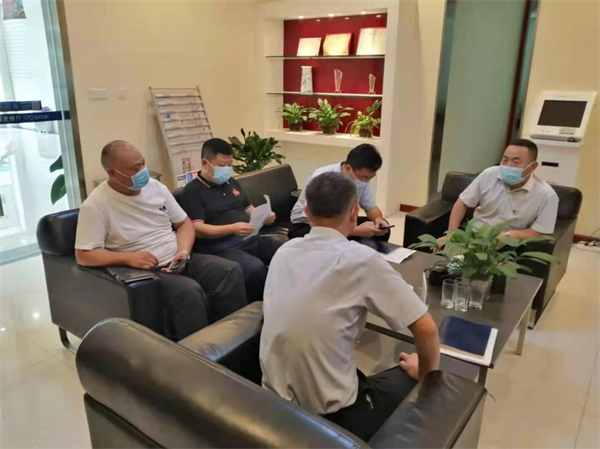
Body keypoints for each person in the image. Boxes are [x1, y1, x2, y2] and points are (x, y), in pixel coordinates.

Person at [260, 171, 440, 441]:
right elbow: (427, 330)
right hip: (331, 415)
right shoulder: (362, 260)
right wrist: (425, 373)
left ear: (307, 213)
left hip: (272, 400)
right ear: (355, 212)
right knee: (412, 374)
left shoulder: (284, 250)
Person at [75, 140, 247, 340]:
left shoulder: (155, 187)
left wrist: (184, 251)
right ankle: (198, 352)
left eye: (143, 163)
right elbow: (84, 255)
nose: (143, 171)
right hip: (149, 272)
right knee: (189, 292)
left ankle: (234, 340)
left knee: (230, 270)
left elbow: (184, 224)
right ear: (112, 173)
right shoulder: (96, 205)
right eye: (135, 168)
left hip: (179, 257)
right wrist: (127, 258)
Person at [180, 138, 284, 302]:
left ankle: (288, 298)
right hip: (220, 247)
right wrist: (231, 228)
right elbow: (197, 229)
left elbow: (249, 209)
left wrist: (264, 215)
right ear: (205, 163)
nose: (227, 169)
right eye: (222, 165)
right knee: (255, 268)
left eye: (230, 165)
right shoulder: (192, 191)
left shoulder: (231, 183)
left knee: (285, 250)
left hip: (248, 238)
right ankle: (259, 307)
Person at [443, 139, 559, 242]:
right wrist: (451, 235)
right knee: (443, 256)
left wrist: (507, 235)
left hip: (511, 244)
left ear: (532, 167)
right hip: (474, 237)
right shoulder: (489, 174)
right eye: (505, 160)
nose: (508, 166)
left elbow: (541, 231)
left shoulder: (547, 195)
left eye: (516, 162)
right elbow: (462, 202)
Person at [288, 144, 391, 241]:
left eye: (370, 178)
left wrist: (378, 220)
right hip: (307, 225)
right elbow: (318, 221)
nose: (366, 181)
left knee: (381, 229)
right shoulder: (323, 178)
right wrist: (356, 231)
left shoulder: (361, 182)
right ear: (348, 168)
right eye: (363, 177)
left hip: (341, 222)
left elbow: (371, 208)